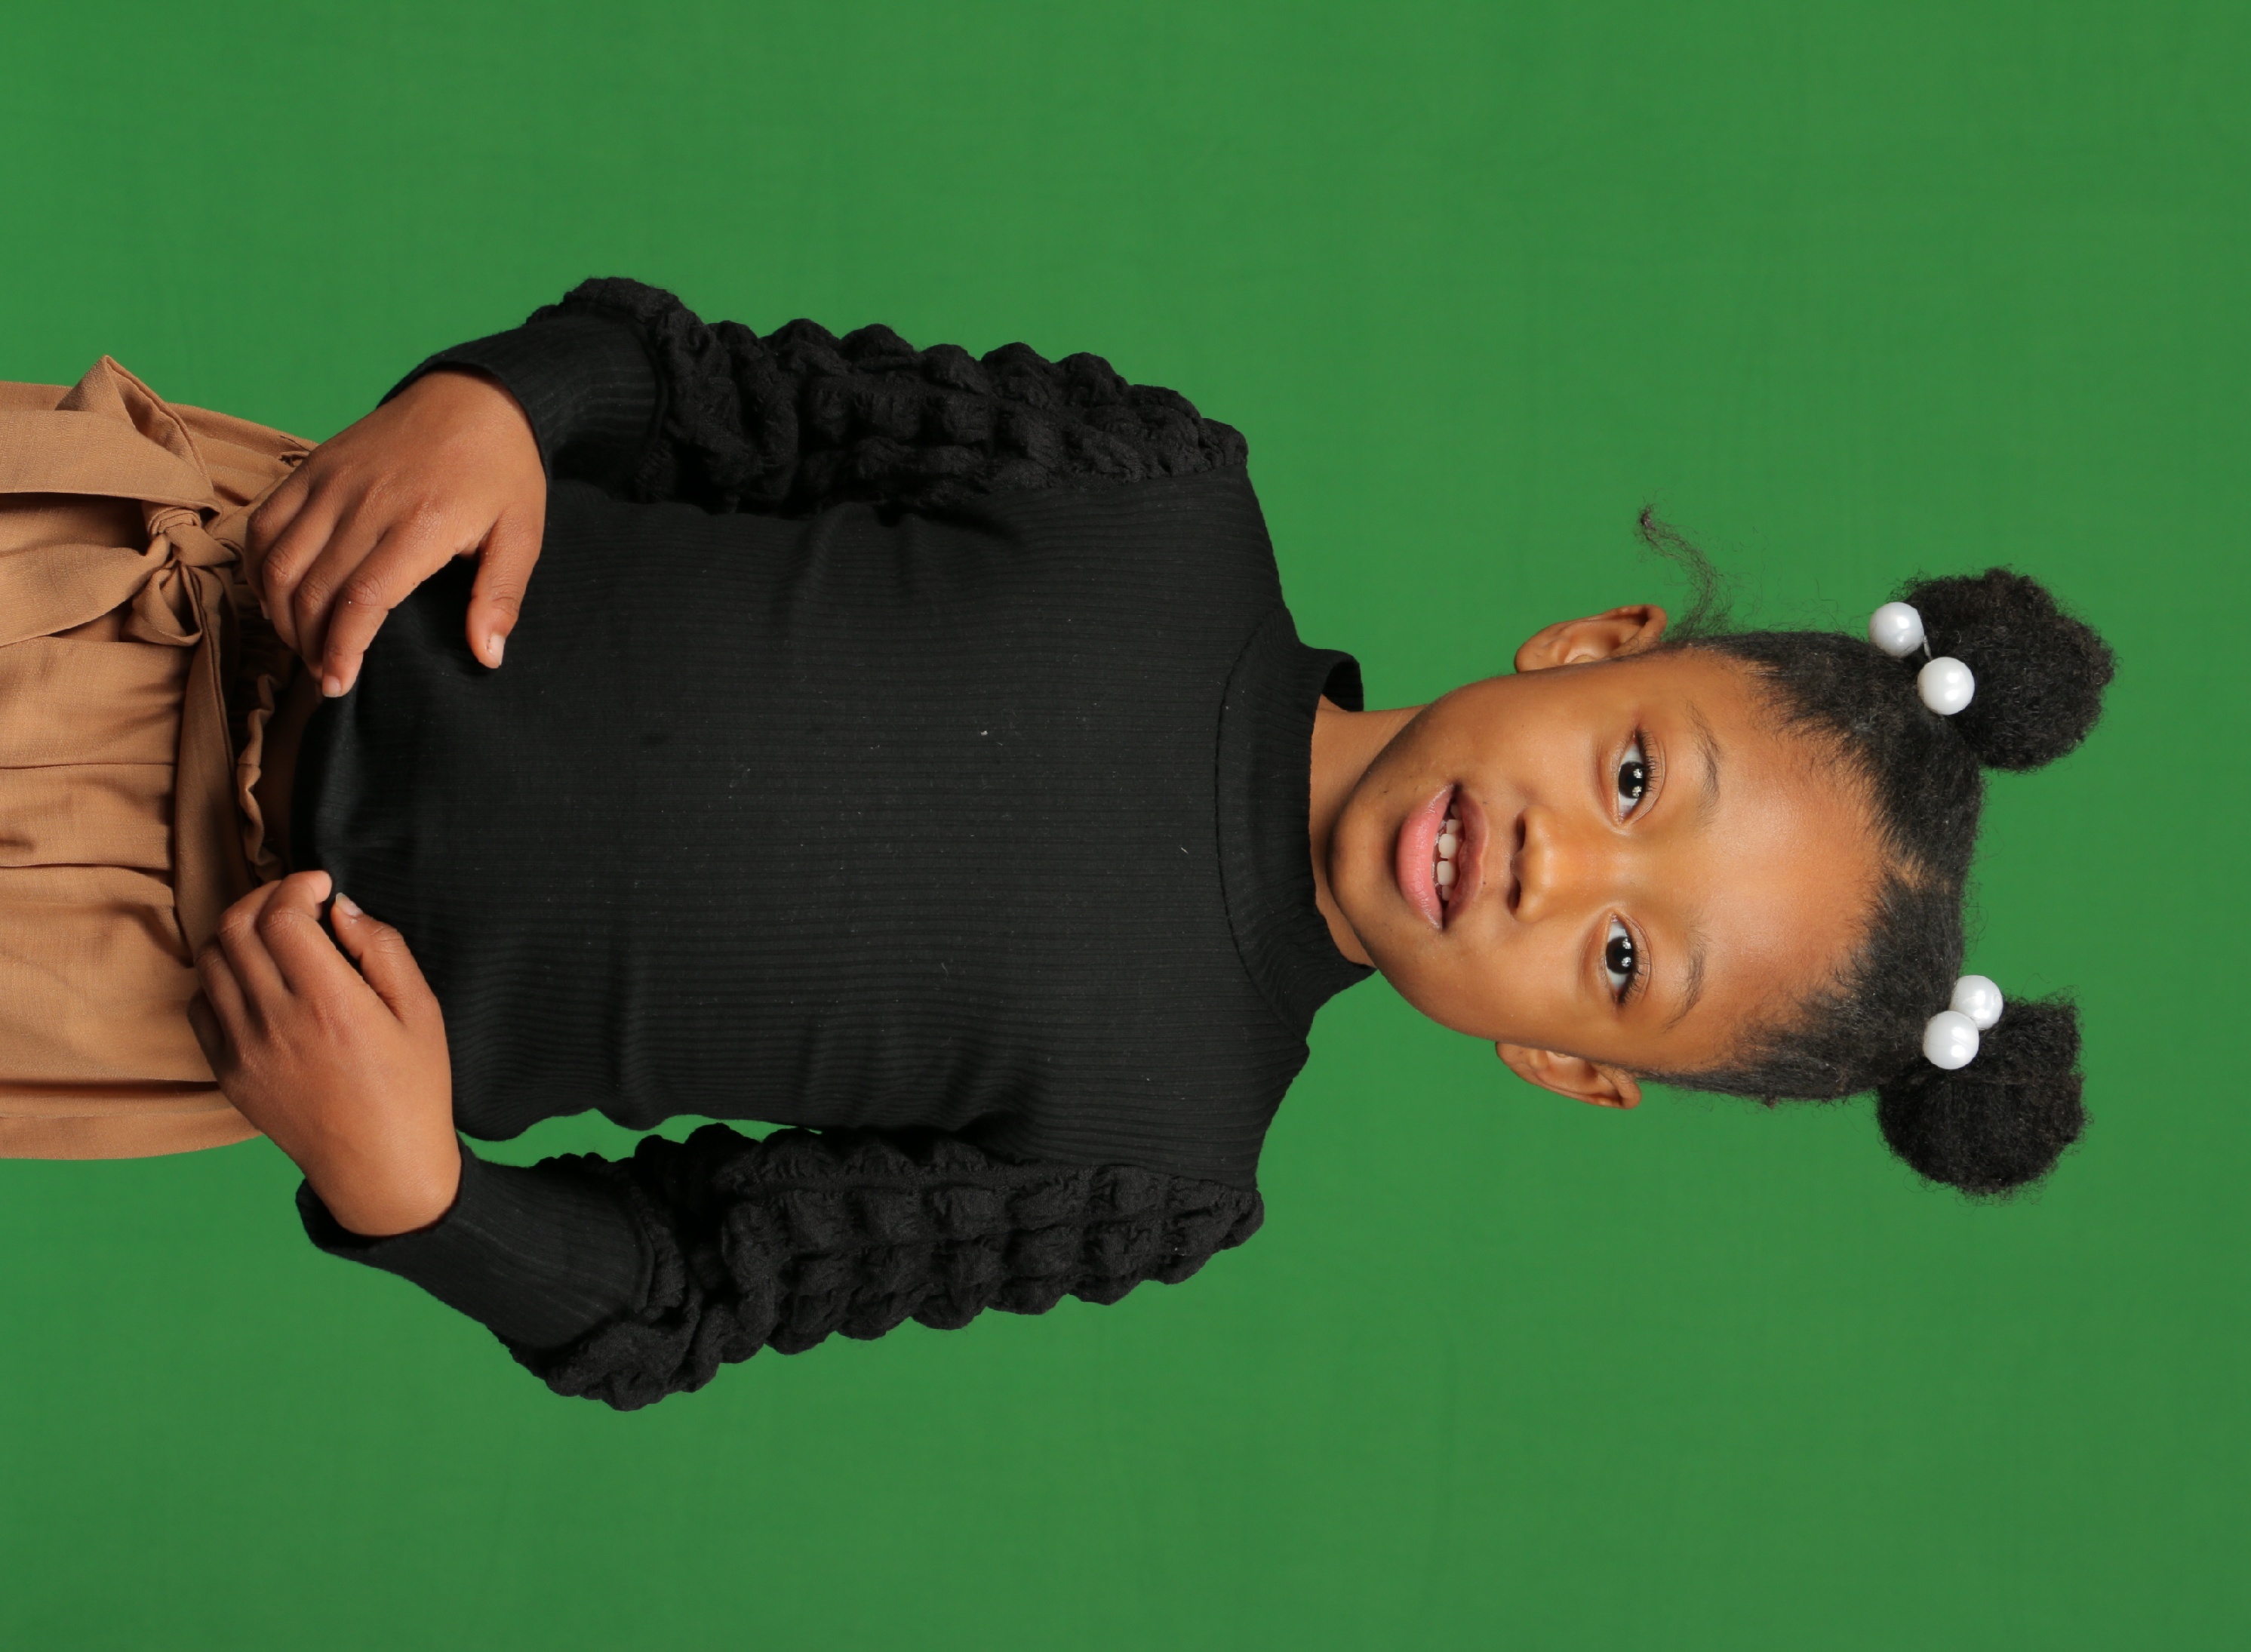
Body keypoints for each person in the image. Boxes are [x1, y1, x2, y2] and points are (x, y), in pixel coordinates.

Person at [37, 280, 2117, 1408]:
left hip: (131, 972)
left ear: (1569, 1064)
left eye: (1624, 963)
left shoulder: (1157, 1163)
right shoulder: (1149, 494)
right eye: (1637, 781)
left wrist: (416, 1193)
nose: (1555, 868)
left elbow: (685, 1289)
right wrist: (501, 406)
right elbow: (698, 394)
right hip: (161, 590)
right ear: (1595, 646)